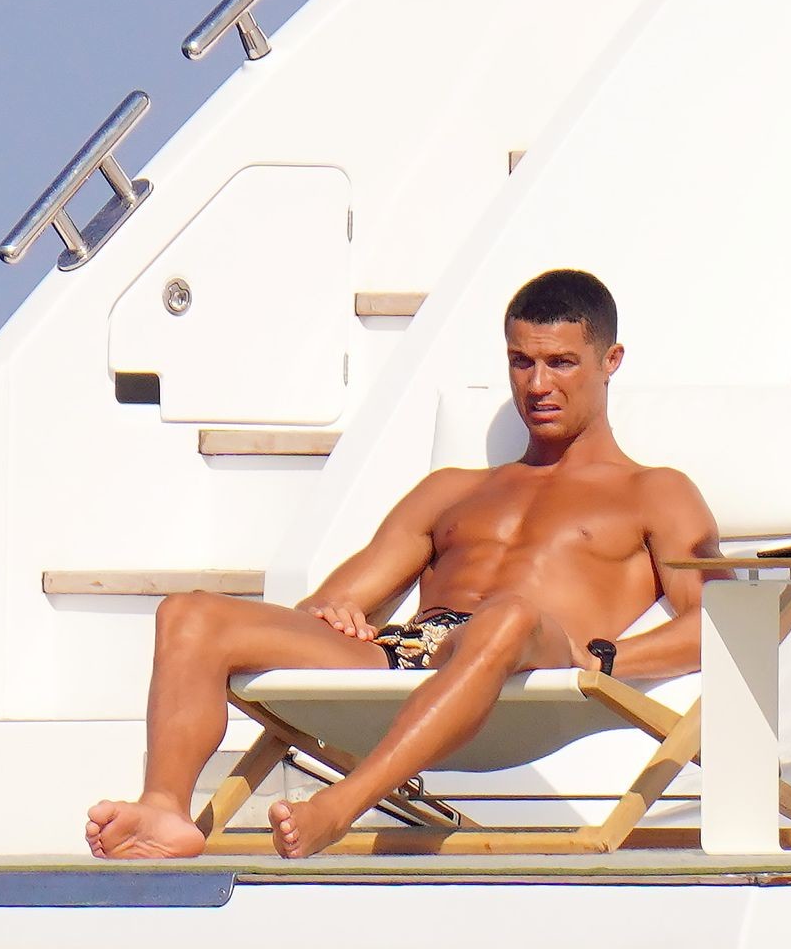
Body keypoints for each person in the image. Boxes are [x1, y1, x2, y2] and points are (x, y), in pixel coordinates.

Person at [86, 268, 723, 860]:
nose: (536, 386)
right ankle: (164, 808)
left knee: (507, 616)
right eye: (520, 362)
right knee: (189, 614)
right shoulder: (453, 489)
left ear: (610, 361)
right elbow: (326, 606)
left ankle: (343, 804)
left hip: (537, 656)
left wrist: (603, 660)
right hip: (409, 656)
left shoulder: (654, 492)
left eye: (560, 363)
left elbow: (722, 622)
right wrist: (336, 611)